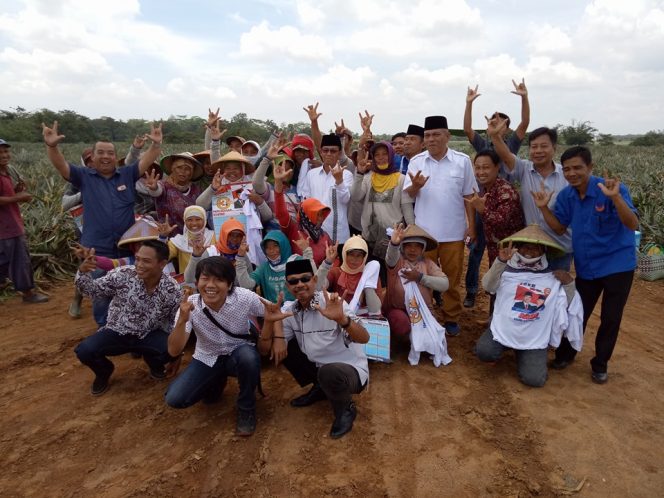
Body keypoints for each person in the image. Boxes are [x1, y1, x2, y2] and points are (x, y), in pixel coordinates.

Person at [531, 146, 639, 384]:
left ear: (590, 167)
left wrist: (616, 198)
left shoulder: (611, 190)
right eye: (567, 169)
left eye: (578, 167)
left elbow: (632, 224)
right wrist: (542, 208)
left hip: (618, 265)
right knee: (576, 312)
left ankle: (600, 364)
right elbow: (559, 227)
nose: (572, 173)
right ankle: (566, 355)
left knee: (611, 317)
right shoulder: (568, 196)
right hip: (587, 265)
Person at [43, 121, 163, 326]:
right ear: (93, 156)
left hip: (127, 246)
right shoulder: (83, 176)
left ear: (115, 157)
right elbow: (61, 165)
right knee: (100, 290)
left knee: (131, 287)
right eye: (101, 152)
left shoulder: (127, 173)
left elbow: (147, 161)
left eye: (109, 153)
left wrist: (156, 144)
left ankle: (130, 327)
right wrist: (52, 146)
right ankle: (104, 328)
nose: (105, 156)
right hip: (96, 247)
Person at [165, 256, 292, 436]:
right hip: (207, 357)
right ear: (197, 282)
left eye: (219, 280)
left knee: (248, 358)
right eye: (205, 278)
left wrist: (279, 338)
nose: (210, 285)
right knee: (176, 399)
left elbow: (272, 310)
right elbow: (174, 350)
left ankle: (246, 407)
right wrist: (182, 321)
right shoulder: (189, 306)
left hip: (238, 352)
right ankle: (216, 381)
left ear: (230, 285)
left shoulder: (244, 297)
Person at [264, 258, 370, 439]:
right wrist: (277, 331)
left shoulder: (332, 303)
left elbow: (364, 338)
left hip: (349, 372)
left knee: (329, 372)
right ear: (287, 286)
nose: (300, 284)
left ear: (314, 280)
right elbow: (269, 348)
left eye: (305, 279)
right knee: (284, 348)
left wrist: (342, 320)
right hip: (319, 368)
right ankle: (321, 388)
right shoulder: (291, 310)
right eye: (293, 281)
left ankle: (345, 409)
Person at [477, 226, 583, 387]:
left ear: (543, 252)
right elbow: (487, 286)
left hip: (534, 337)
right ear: (518, 248)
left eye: (536, 248)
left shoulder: (552, 276)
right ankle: (508, 345)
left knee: (534, 380)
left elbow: (568, 306)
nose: (530, 251)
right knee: (485, 352)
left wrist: (569, 284)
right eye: (526, 246)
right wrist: (500, 262)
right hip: (505, 329)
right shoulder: (506, 269)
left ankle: (523, 351)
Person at [73, 240, 183, 395]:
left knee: (169, 350)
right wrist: (83, 272)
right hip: (117, 332)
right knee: (85, 351)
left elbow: (174, 322)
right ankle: (104, 372)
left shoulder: (173, 289)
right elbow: (93, 291)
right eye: (137, 259)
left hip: (149, 333)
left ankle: (154, 363)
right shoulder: (123, 274)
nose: (139, 264)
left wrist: (176, 354)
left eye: (146, 261)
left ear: (162, 263)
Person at [403, 115, 478, 336]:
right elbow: (410, 194)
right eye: (427, 135)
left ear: (447, 136)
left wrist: (471, 226)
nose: (431, 139)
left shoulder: (462, 161)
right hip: (424, 235)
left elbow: (469, 196)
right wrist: (415, 186)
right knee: (421, 276)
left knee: (451, 280)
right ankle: (425, 315)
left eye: (436, 134)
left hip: (453, 233)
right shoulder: (417, 162)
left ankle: (451, 317)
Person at [462, 80, 530, 308]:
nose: (496, 123)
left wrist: (523, 98)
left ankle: (503, 303)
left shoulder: (511, 143)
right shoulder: (484, 144)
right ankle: (472, 291)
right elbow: (468, 130)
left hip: (503, 206)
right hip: (483, 204)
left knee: (503, 253)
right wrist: (469, 103)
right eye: (493, 120)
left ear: (508, 127)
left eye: (501, 121)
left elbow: (525, 123)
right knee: (476, 250)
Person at [487, 119, 573, 270]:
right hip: (531, 247)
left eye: (543, 146)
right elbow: (506, 155)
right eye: (534, 147)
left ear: (554, 148)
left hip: (560, 247)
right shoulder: (524, 169)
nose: (538, 151)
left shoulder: (567, 175)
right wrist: (495, 136)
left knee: (556, 288)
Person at [382, 224, 451, 366]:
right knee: (401, 324)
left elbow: (444, 284)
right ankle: (404, 339)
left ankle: (416, 337)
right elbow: (390, 258)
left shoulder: (428, 264)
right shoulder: (397, 261)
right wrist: (394, 243)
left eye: (417, 246)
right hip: (398, 309)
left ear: (423, 249)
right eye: (408, 245)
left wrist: (420, 277)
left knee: (433, 341)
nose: (413, 250)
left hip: (423, 313)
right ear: (403, 247)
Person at [0, 139, 48, 303]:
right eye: (0, 152)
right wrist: (17, 197)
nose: (4, 155)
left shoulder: (7, 172)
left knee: (5, 260)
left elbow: (10, 193)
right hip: (8, 226)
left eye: (6, 151)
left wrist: (17, 191)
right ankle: (28, 293)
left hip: (9, 224)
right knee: (20, 260)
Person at [464, 149, 525, 267]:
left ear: (497, 167)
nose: (481, 172)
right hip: (495, 248)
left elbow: (500, 222)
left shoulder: (505, 191)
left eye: (486, 167)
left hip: (511, 252)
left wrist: (482, 210)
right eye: (477, 167)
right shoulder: (486, 189)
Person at [300, 134, 353, 245]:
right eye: (326, 150)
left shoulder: (346, 174)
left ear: (339, 153)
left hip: (338, 234)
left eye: (333, 151)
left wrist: (339, 181)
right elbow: (306, 201)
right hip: (315, 233)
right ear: (321, 152)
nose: (329, 154)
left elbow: (345, 200)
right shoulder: (311, 174)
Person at [235, 229, 315, 302]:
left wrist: (307, 252)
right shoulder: (264, 268)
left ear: (283, 245)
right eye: (267, 247)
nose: (271, 250)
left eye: (275, 246)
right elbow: (247, 285)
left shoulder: (296, 260)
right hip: (275, 314)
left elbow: (316, 282)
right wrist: (240, 258)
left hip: (298, 312)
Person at [138, 152, 204, 235]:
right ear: (172, 169)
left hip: (193, 236)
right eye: (179, 167)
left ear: (192, 173)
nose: (183, 171)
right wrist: (154, 188)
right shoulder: (164, 186)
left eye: (187, 169)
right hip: (167, 235)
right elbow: (157, 192)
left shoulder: (196, 190)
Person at [317, 235, 383, 315]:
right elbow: (317, 288)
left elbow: (375, 310)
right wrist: (327, 262)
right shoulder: (336, 272)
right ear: (345, 255)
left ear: (364, 257)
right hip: (339, 317)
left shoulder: (370, 274)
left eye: (359, 255)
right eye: (351, 254)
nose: (354, 259)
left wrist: (367, 286)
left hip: (365, 320)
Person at [156, 205, 216, 274]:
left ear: (205, 220)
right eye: (189, 220)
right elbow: (161, 256)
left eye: (198, 219)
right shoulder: (179, 241)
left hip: (211, 281)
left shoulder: (213, 236)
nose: (194, 223)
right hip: (187, 283)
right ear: (185, 221)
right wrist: (162, 237)